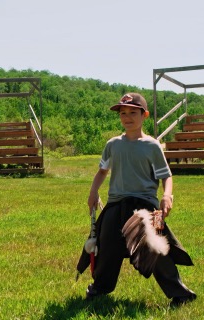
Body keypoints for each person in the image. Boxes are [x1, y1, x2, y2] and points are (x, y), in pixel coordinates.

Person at [77, 93, 196, 306]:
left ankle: (181, 294)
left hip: (146, 206)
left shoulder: (152, 146)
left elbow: (166, 175)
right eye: (123, 113)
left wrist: (167, 195)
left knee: (158, 248)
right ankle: (99, 289)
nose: (127, 117)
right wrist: (93, 192)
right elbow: (102, 172)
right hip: (115, 204)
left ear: (145, 115)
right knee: (107, 247)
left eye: (133, 112)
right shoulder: (112, 144)